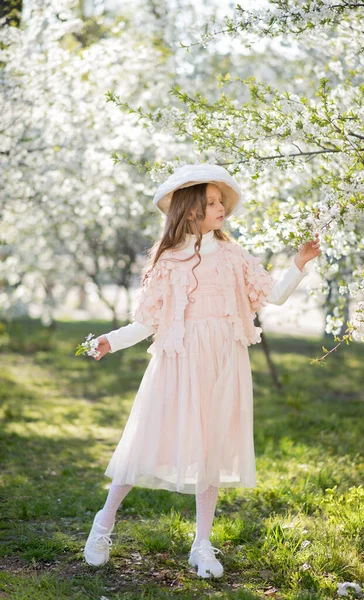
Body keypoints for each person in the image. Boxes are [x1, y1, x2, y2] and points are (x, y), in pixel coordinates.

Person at [83, 163, 321, 578]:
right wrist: (112, 339)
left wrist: (299, 263)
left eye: (221, 201)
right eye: (211, 202)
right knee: (147, 439)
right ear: (190, 210)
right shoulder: (168, 260)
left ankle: (202, 544)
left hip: (223, 363)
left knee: (211, 448)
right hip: (179, 363)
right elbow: (148, 321)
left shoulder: (233, 255)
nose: (221, 208)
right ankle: (103, 523)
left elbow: (272, 295)